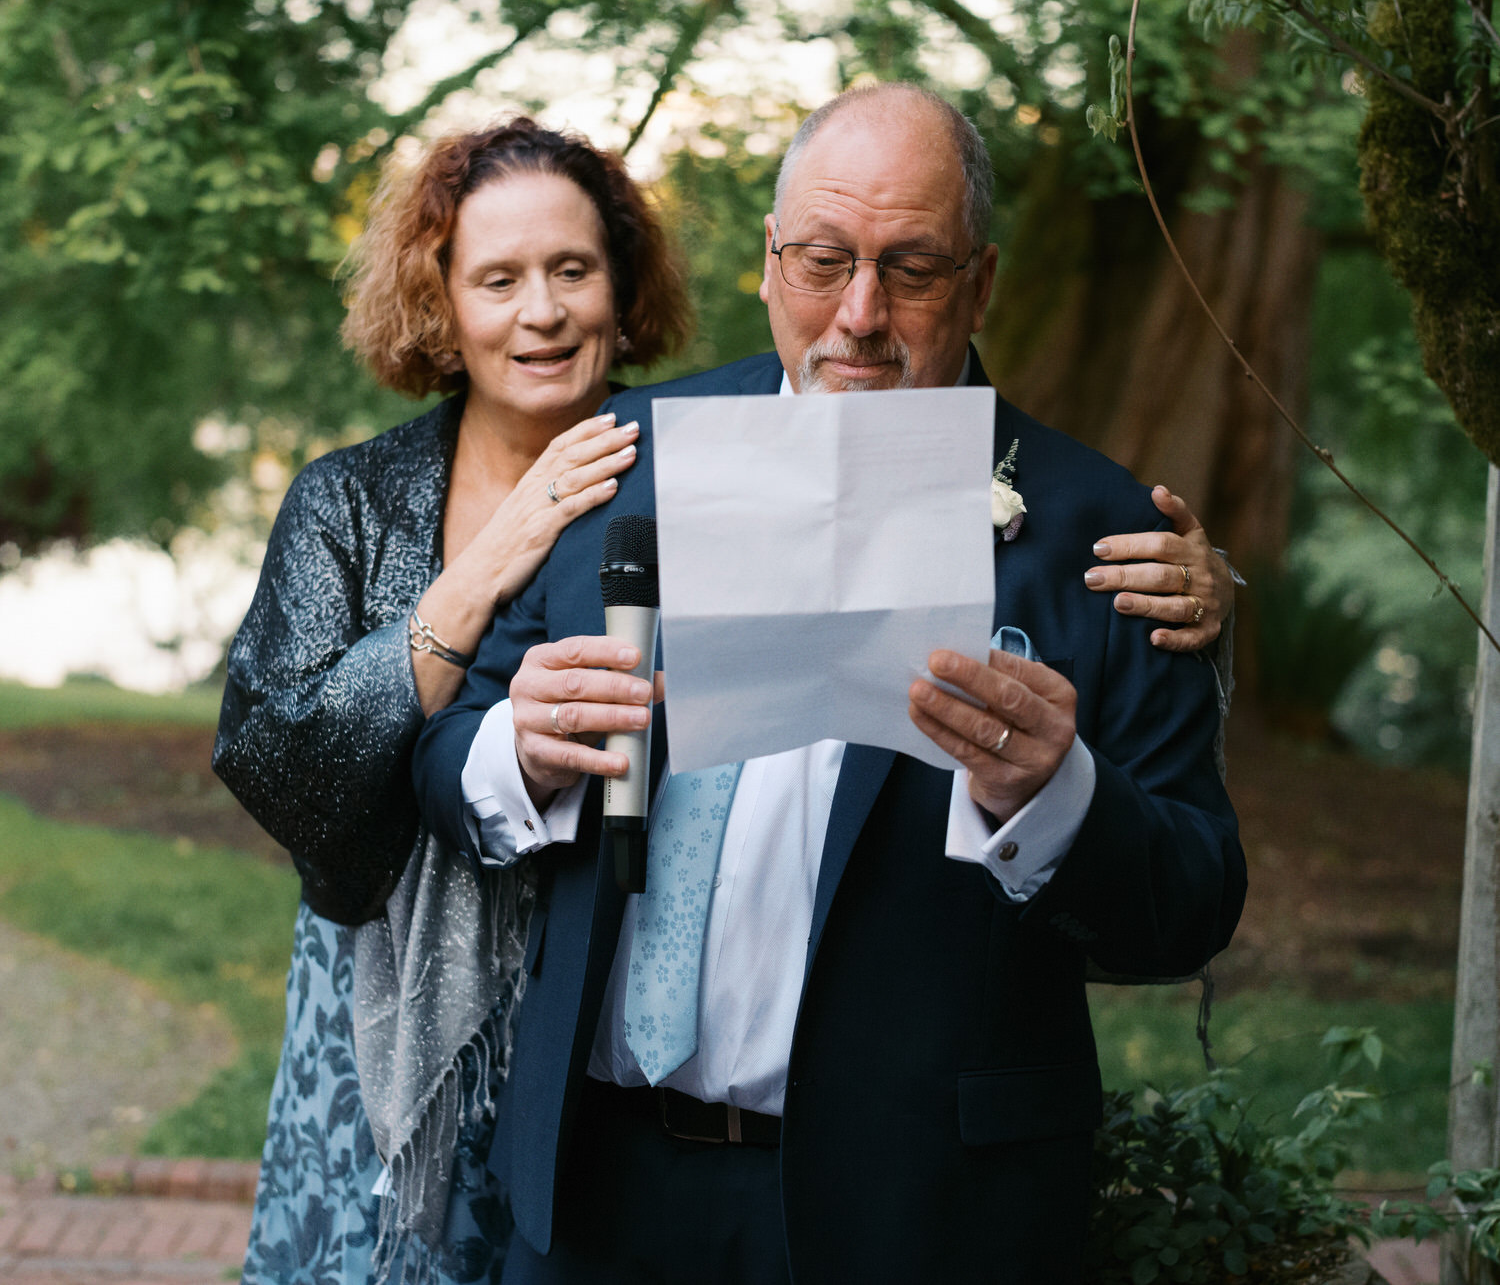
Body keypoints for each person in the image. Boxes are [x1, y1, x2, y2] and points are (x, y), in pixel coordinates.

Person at [410, 82, 1246, 1284]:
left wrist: (1057, 795)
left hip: (919, 1214)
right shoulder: (622, 455)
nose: (858, 313)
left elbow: (1194, 897)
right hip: (598, 1189)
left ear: (982, 281)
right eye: (823, 259)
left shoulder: (1106, 536)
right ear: (767, 260)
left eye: (911, 267)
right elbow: (448, 760)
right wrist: (518, 751)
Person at [212, 118, 692, 1283]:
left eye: (574, 270)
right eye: (499, 279)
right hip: (380, 1006)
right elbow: (279, 759)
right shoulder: (349, 499)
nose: (544, 311)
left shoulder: (699, 471)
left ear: (623, 292)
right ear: (440, 305)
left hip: (611, 990)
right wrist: (500, 550)